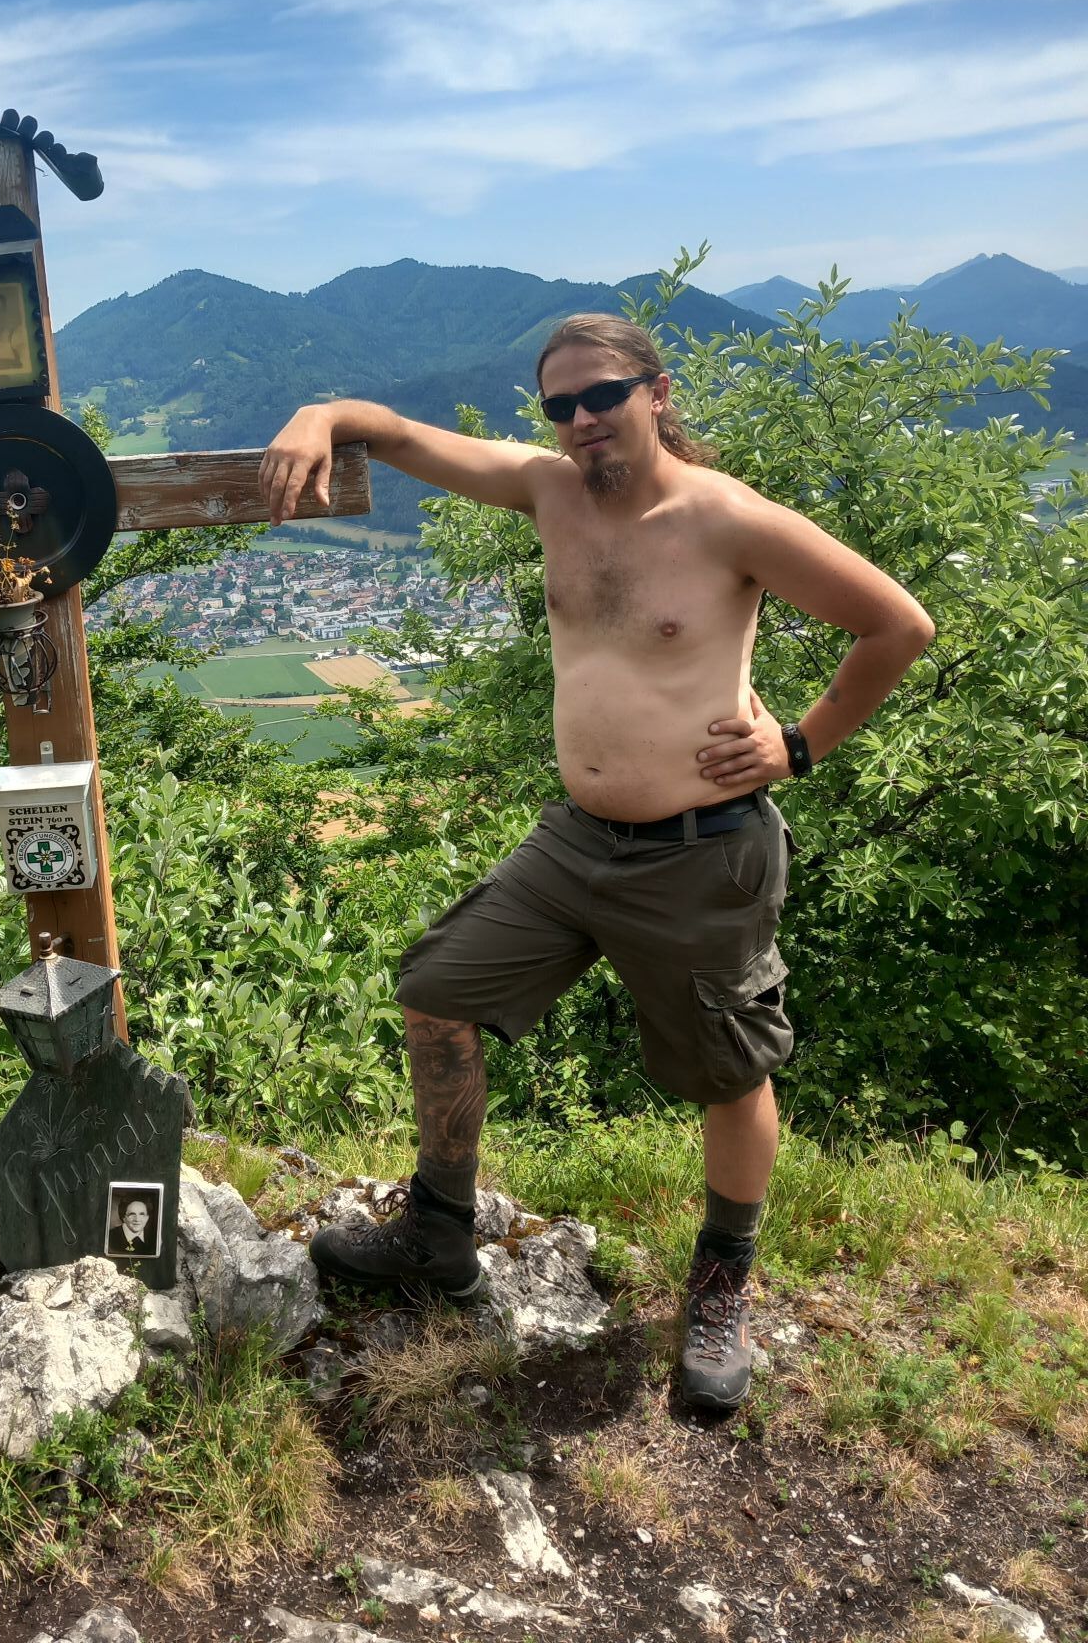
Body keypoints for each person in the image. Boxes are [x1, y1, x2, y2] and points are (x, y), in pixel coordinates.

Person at [259, 313, 933, 1411]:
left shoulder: (726, 518)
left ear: (655, 393)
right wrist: (322, 412)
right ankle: (439, 1232)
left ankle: (721, 1284)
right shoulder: (549, 492)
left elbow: (898, 625)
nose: (580, 419)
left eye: (602, 394)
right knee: (437, 989)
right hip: (575, 841)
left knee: (730, 1070)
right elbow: (405, 436)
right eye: (560, 404)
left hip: (703, 851)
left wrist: (799, 744)